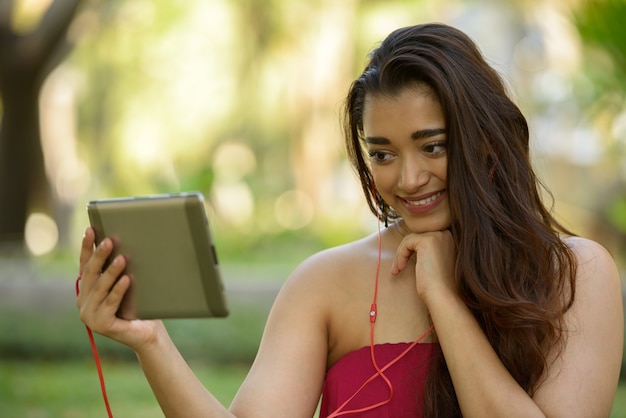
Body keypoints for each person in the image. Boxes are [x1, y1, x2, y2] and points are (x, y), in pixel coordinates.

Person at [77, 23, 623, 417]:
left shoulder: (577, 275)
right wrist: (151, 342)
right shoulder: (326, 282)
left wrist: (446, 302)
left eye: (432, 146)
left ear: (486, 143)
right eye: (382, 154)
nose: (408, 179)